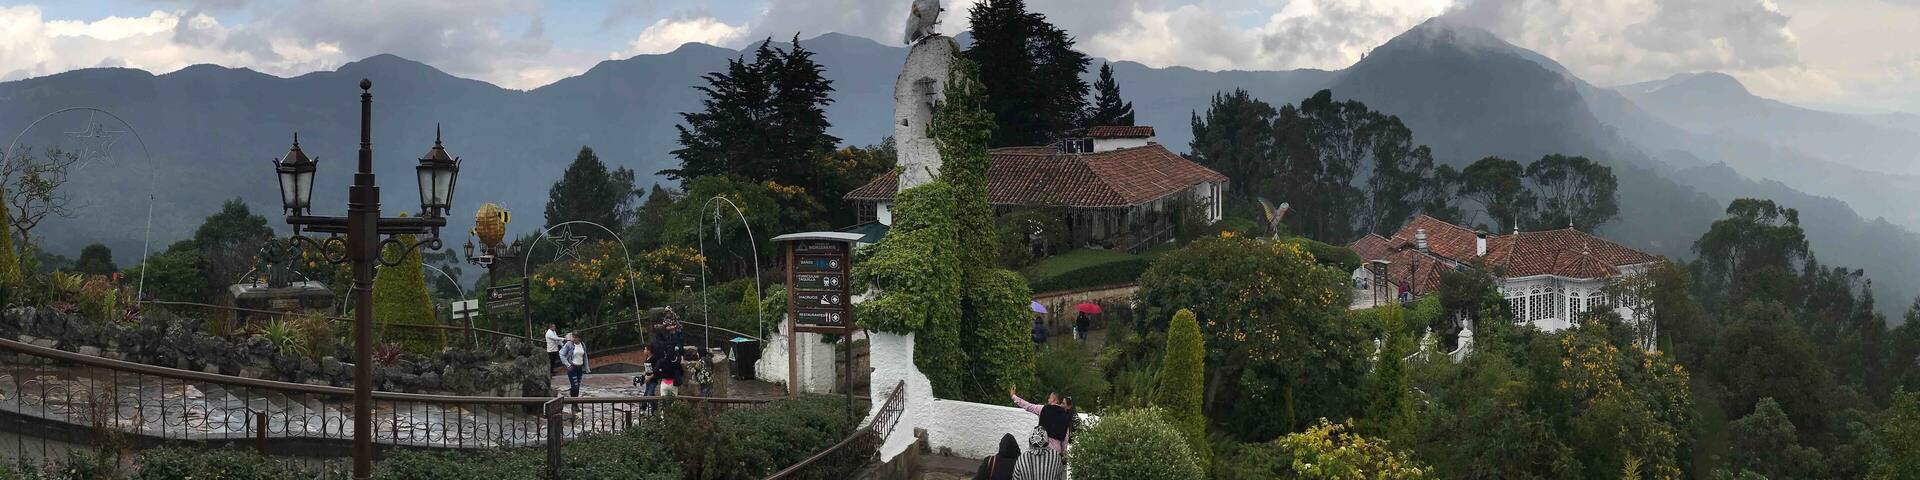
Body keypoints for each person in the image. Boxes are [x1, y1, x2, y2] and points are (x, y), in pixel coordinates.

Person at [1009, 387, 1069, 454]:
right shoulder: (1066, 417)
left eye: (1050, 398)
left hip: (1042, 448)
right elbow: (1065, 439)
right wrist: (1063, 452)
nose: (1048, 400)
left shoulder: (1043, 409)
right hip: (1056, 451)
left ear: (1054, 400)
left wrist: (1013, 396)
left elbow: (1028, 406)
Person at [560, 333, 589, 397]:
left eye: (575, 337)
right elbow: (561, 354)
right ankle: (574, 403)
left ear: (579, 338)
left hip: (580, 367)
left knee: (577, 386)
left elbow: (585, 356)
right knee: (575, 385)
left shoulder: (583, 345)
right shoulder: (569, 344)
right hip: (572, 368)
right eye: (573, 337)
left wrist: (586, 367)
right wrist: (568, 365)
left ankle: (574, 402)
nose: (574, 339)